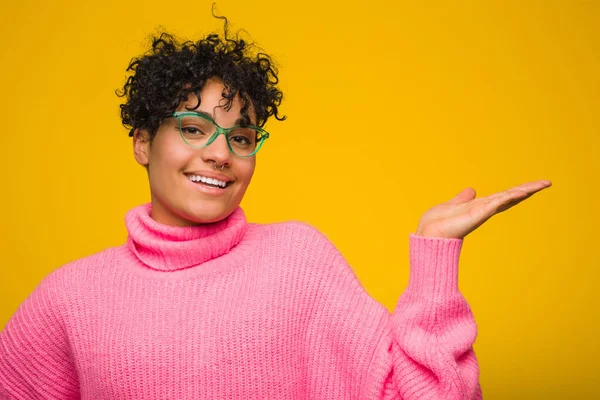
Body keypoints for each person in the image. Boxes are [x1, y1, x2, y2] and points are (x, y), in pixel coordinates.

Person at [0, 14, 551, 400]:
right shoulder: (69, 299)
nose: (219, 153)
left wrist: (436, 257)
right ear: (143, 141)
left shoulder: (299, 263)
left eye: (241, 138)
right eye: (194, 129)